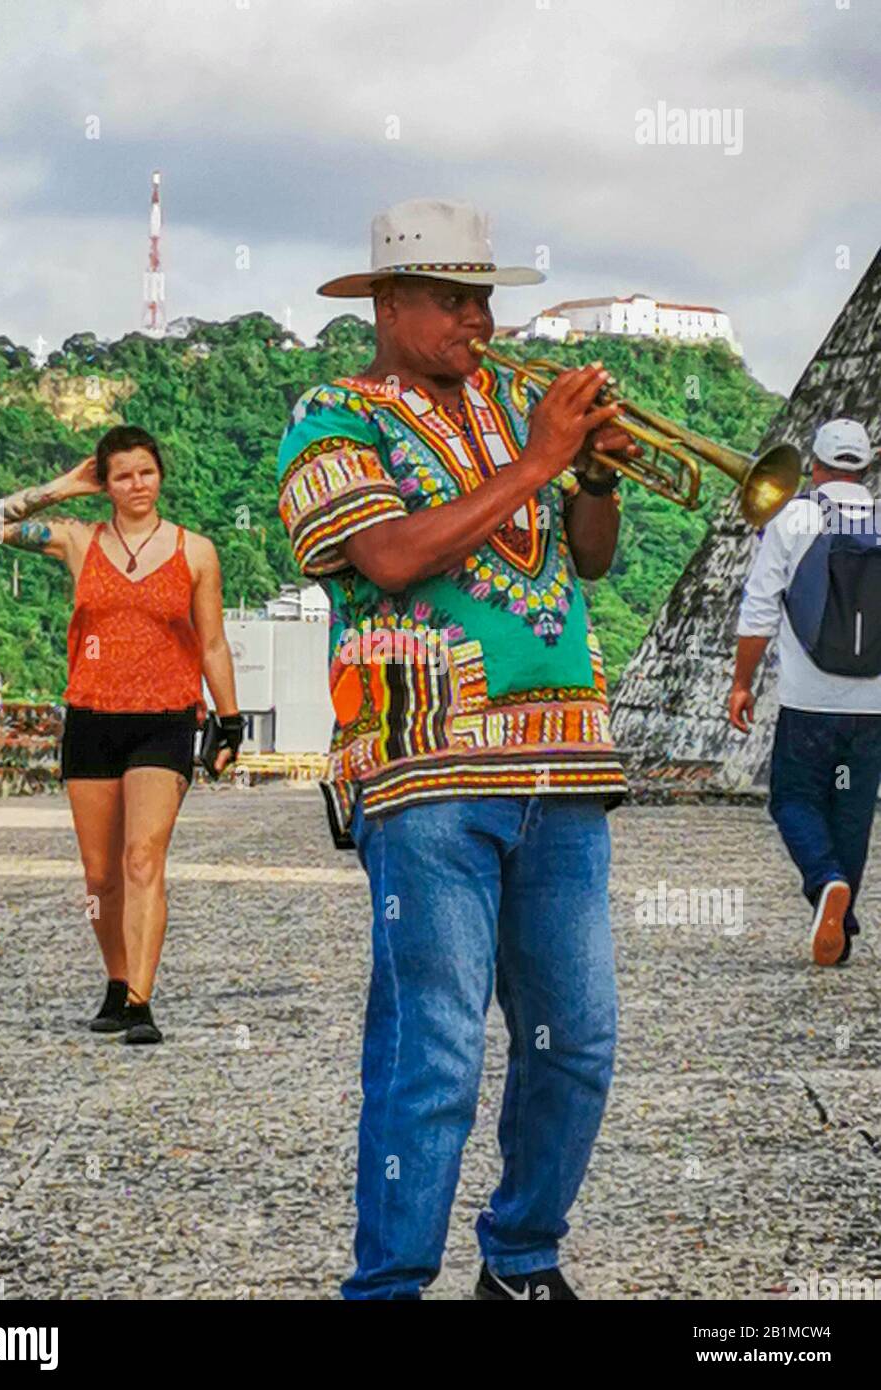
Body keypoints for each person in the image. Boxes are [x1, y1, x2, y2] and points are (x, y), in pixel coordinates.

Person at [277, 198, 639, 1300]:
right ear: (387, 302)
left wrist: (593, 476)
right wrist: (537, 461)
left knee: (574, 1040)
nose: (475, 317)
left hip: (563, 766)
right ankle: (387, 1285)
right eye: (450, 297)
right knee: (431, 1053)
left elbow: (585, 562)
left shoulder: (517, 407)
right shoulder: (334, 414)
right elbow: (385, 555)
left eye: (483, 295)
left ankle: (521, 1257)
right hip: (425, 769)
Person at [0, 425, 244, 1043]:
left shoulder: (195, 551)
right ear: (106, 484)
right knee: (99, 878)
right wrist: (63, 488)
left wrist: (228, 720)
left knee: (142, 858)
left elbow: (211, 642)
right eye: (121, 475)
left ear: (161, 474)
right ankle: (117, 982)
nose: (136, 485)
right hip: (93, 720)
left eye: (145, 472)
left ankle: (142, 1004)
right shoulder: (77, 541)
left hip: (165, 721)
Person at [730, 416, 879, 967]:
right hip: (873, 706)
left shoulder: (795, 517)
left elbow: (759, 609)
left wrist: (741, 682)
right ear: (865, 468)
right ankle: (840, 934)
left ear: (814, 466)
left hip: (808, 699)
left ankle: (826, 882)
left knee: (792, 800)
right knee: (853, 814)